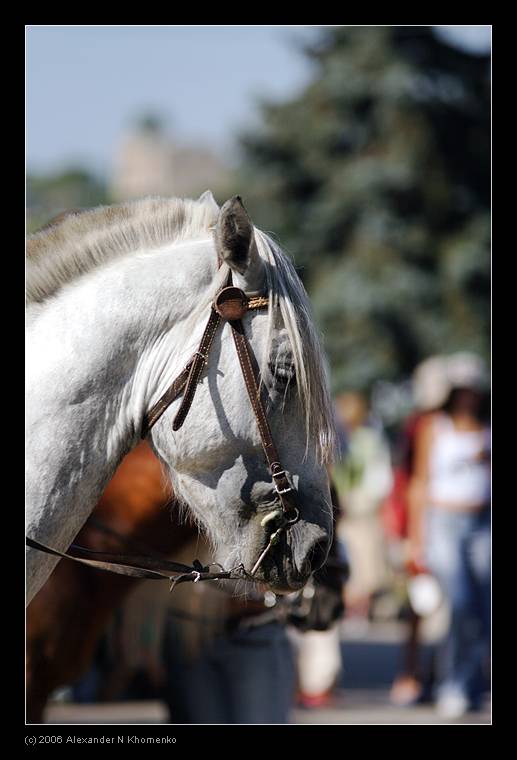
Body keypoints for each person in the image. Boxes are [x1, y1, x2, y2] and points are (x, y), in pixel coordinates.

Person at [408, 353, 491, 718]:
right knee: (457, 605)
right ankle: (452, 683)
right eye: (460, 390)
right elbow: (420, 483)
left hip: (483, 523)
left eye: (472, 390)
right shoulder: (434, 427)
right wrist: (415, 539)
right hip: (444, 522)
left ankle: (473, 685)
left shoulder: (487, 430)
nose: (467, 397)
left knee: (483, 609)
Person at [333, 392, 393, 621]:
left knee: (361, 566)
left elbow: (378, 481)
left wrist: (354, 500)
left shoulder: (368, 440)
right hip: (345, 512)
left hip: (359, 511)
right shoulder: (339, 440)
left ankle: (358, 610)